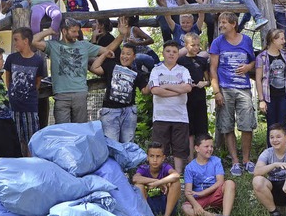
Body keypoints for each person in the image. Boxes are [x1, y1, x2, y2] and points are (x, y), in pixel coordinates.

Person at [32, 17, 123, 124]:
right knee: (62, 130)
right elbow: (33, 41)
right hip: (61, 95)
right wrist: (50, 30)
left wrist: (122, 35)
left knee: (80, 130)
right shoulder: (53, 45)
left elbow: (107, 49)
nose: (76, 34)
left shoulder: (84, 45)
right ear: (64, 31)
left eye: (77, 31)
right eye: (73, 31)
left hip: (80, 94)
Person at [210, 12, 257, 176]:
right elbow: (212, 69)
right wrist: (216, 92)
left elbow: (253, 61)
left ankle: (246, 160)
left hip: (243, 88)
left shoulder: (246, 40)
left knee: (246, 125)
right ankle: (235, 161)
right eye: (220, 23)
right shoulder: (217, 43)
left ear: (233, 24)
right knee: (227, 125)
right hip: (225, 88)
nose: (221, 25)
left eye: (224, 22)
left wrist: (248, 68)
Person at [90, 43, 149, 143]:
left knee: (128, 144)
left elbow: (145, 91)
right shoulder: (112, 65)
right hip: (110, 111)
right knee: (112, 144)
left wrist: (155, 79)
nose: (124, 56)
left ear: (134, 56)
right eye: (123, 53)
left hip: (129, 111)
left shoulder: (137, 73)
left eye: (128, 54)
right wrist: (104, 54)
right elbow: (94, 68)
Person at [149, 40, 192, 172]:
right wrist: (177, 91)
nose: (171, 54)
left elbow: (188, 87)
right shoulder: (156, 70)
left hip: (180, 117)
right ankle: (161, 174)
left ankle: (178, 175)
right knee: (160, 149)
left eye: (174, 52)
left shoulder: (183, 70)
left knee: (179, 148)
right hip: (161, 117)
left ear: (178, 54)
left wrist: (166, 86)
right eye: (168, 51)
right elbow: (155, 90)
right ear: (163, 53)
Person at [182, 134, 237, 216]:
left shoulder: (216, 161)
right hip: (199, 199)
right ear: (197, 148)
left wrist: (202, 193)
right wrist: (196, 205)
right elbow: (188, 192)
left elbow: (220, 182)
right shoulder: (190, 167)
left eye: (211, 146)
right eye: (206, 146)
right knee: (186, 209)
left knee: (229, 183)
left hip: (215, 194)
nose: (210, 149)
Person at [4, 27, 45, 156]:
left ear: (26, 41)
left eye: (16, 40)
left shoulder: (38, 60)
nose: (15, 43)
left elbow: (37, 81)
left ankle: (31, 164)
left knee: (31, 138)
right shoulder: (12, 58)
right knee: (14, 138)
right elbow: (8, 78)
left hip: (30, 106)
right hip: (13, 105)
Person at [255, 29, 286, 146]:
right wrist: (261, 100)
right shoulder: (262, 57)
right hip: (269, 96)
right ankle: (271, 152)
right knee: (271, 124)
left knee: (283, 124)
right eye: (281, 39)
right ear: (273, 40)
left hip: (284, 95)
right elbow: (258, 79)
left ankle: (284, 151)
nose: (284, 41)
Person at [177, 33, 210, 161]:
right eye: (192, 45)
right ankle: (191, 160)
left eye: (198, 45)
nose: (196, 48)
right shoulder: (181, 61)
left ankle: (202, 158)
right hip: (186, 100)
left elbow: (208, 79)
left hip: (200, 99)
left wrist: (205, 83)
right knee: (189, 131)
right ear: (186, 45)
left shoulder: (202, 61)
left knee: (201, 131)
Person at [132, 142, 181, 216]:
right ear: (147, 157)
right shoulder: (143, 169)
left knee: (176, 182)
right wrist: (157, 181)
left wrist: (156, 184)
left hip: (166, 204)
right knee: (138, 185)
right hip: (150, 205)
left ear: (163, 158)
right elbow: (135, 178)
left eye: (158, 156)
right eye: (152, 156)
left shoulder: (165, 167)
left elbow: (176, 175)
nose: (155, 160)